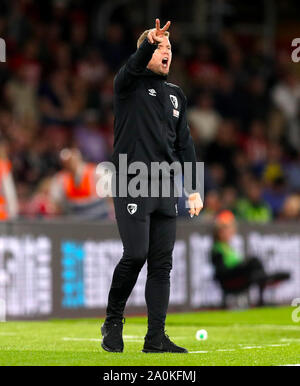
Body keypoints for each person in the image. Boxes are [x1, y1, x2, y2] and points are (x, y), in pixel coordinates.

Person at [101, 19, 203, 354]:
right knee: (136, 253)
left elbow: (184, 145)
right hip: (132, 179)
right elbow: (132, 64)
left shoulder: (176, 95)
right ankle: (113, 320)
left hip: (165, 185)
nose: (166, 53)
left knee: (162, 264)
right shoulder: (127, 84)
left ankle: (155, 338)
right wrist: (148, 41)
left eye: (169, 48)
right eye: (160, 47)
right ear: (144, 53)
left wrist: (194, 188)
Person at [211, 210, 290, 307]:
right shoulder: (217, 249)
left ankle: (262, 278)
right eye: (227, 229)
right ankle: (264, 278)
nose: (230, 232)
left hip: (237, 274)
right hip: (230, 278)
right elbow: (222, 271)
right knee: (253, 262)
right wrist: (240, 267)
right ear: (220, 232)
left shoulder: (228, 248)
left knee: (254, 265)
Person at [50, 148, 113, 220]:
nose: (69, 164)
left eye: (71, 160)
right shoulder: (61, 179)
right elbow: (56, 202)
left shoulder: (96, 172)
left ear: (77, 158)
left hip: (98, 214)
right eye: (66, 162)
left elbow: (111, 193)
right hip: (75, 214)